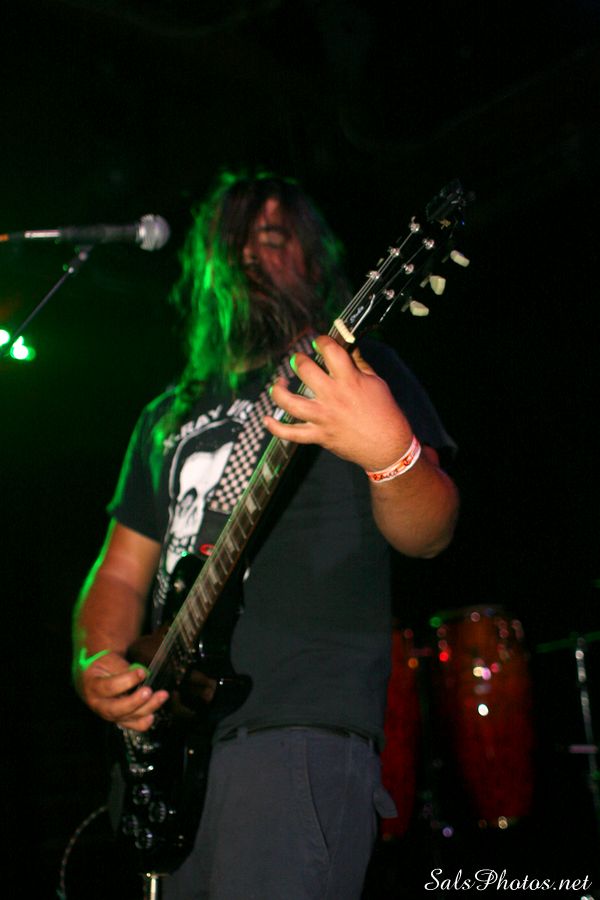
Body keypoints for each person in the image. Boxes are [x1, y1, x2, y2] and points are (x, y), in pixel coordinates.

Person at [72, 170, 459, 899]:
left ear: (314, 260)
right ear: (204, 270)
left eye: (275, 238)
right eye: (235, 241)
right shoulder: (163, 416)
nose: (252, 254)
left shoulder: (354, 372)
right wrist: (97, 663)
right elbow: (120, 574)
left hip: (295, 731)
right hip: (168, 763)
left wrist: (390, 453)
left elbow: (430, 533)